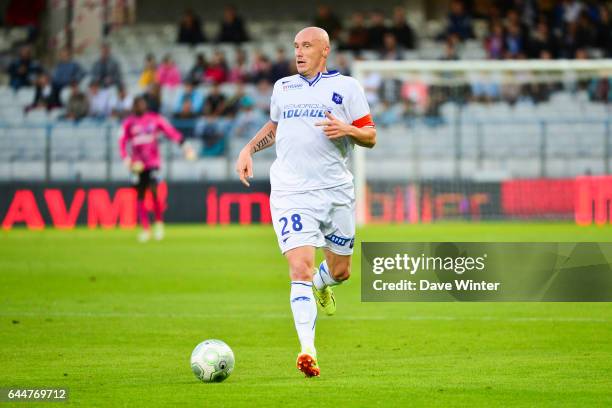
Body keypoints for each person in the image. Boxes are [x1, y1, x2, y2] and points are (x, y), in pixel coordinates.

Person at [234, 27, 376, 377]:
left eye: (307, 46)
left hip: (335, 190)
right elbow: (275, 127)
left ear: (324, 51)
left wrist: (349, 131)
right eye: (296, 46)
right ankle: (307, 350)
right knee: (299, 267)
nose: (299, 52)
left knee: (341, 271)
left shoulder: (347, 88)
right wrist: (249, 148)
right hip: (291, 192)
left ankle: (322, 284)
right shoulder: (283, 87)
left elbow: (370, 136)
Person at [119, 97, 195, 242]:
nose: (139, 107)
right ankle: (145, 229)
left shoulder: (154, 119)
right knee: (140, 195)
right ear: (133, 107)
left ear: (145, 105)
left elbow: (170, 131)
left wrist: (184, 145)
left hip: (152, 163)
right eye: (136, 105)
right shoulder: (128, 123)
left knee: (154, 191)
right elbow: (122, 142)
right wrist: (127, 160)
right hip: (137, 165)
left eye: (141, 104)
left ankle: (159, 224)